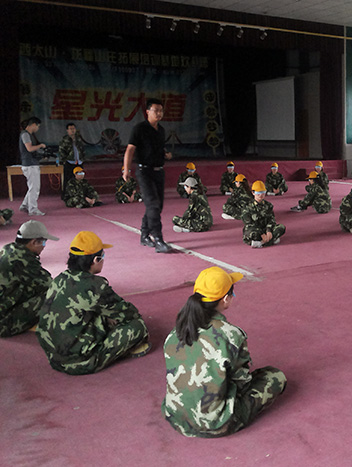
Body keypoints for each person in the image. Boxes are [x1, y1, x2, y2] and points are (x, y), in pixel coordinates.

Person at [162, 267, 286, 437]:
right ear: (226, 299)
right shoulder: (231, 335)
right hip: (217, 423)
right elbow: (242, 382)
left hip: (176, 417)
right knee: (275, 376)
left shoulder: (176, 332)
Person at [36, 231, 150, 375]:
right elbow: (128, 313)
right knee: (137, 326)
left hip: (53, 357)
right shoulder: (95, 286)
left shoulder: (60, 279)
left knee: (101, 314)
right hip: (80, 362)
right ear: (96, 259)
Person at [123, 97, 172, 253]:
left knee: (157, 206)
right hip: (144, 171)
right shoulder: (139, 129)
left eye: (161, 111)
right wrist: (126, 169)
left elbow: (159, 149)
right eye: (155, 110)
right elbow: (130, 149)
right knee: (153, 204)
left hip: (159, 171)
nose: (159, 113)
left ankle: (144, 235)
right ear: (147, 112)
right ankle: (158, 240)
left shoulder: (161, 130)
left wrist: (166, 154)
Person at [0, 221, 57, 337]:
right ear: (34, 242)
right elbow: (50, 285)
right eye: (44, 242)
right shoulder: (24, 260)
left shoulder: (8, 249)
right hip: (3, 323)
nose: (44, 246)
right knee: (54, 295)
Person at [241, 181, 286, 248]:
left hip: (266, 228)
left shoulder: (268, 205)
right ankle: (271, 240)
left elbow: (271, 220)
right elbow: (249, 223)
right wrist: (261, 233)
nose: (261, 195)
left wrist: (269, 231)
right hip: (255, 229)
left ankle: (261, 243)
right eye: (258, 193)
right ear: (253, 193)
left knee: (281, 227)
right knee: (252, 233)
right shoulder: (247, 207)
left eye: (263, 192)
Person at [19, 116, 47, 216]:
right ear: (34, 125)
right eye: (38, 126)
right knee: (34, 188)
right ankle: (33, 209)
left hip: (30, 163)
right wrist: (40, 146)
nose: (38, 128)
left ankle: (25, 205)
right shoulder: (25, 134)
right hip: (30, 165)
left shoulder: (28, 135)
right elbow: (29, 148)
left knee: (32, 187)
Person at [58, 123, 86, 200]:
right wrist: (64, 160)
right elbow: (61, 151)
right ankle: (66, 195)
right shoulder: (65, 140)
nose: (72, 130)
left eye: (73, 128)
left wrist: (83, 158)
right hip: (69, 162)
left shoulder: (78, 139)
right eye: (70, 129)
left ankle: (80, 194)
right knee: (68, 179)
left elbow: (83, 149)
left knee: (80, 178)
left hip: (79, 162)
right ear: (67, 130)